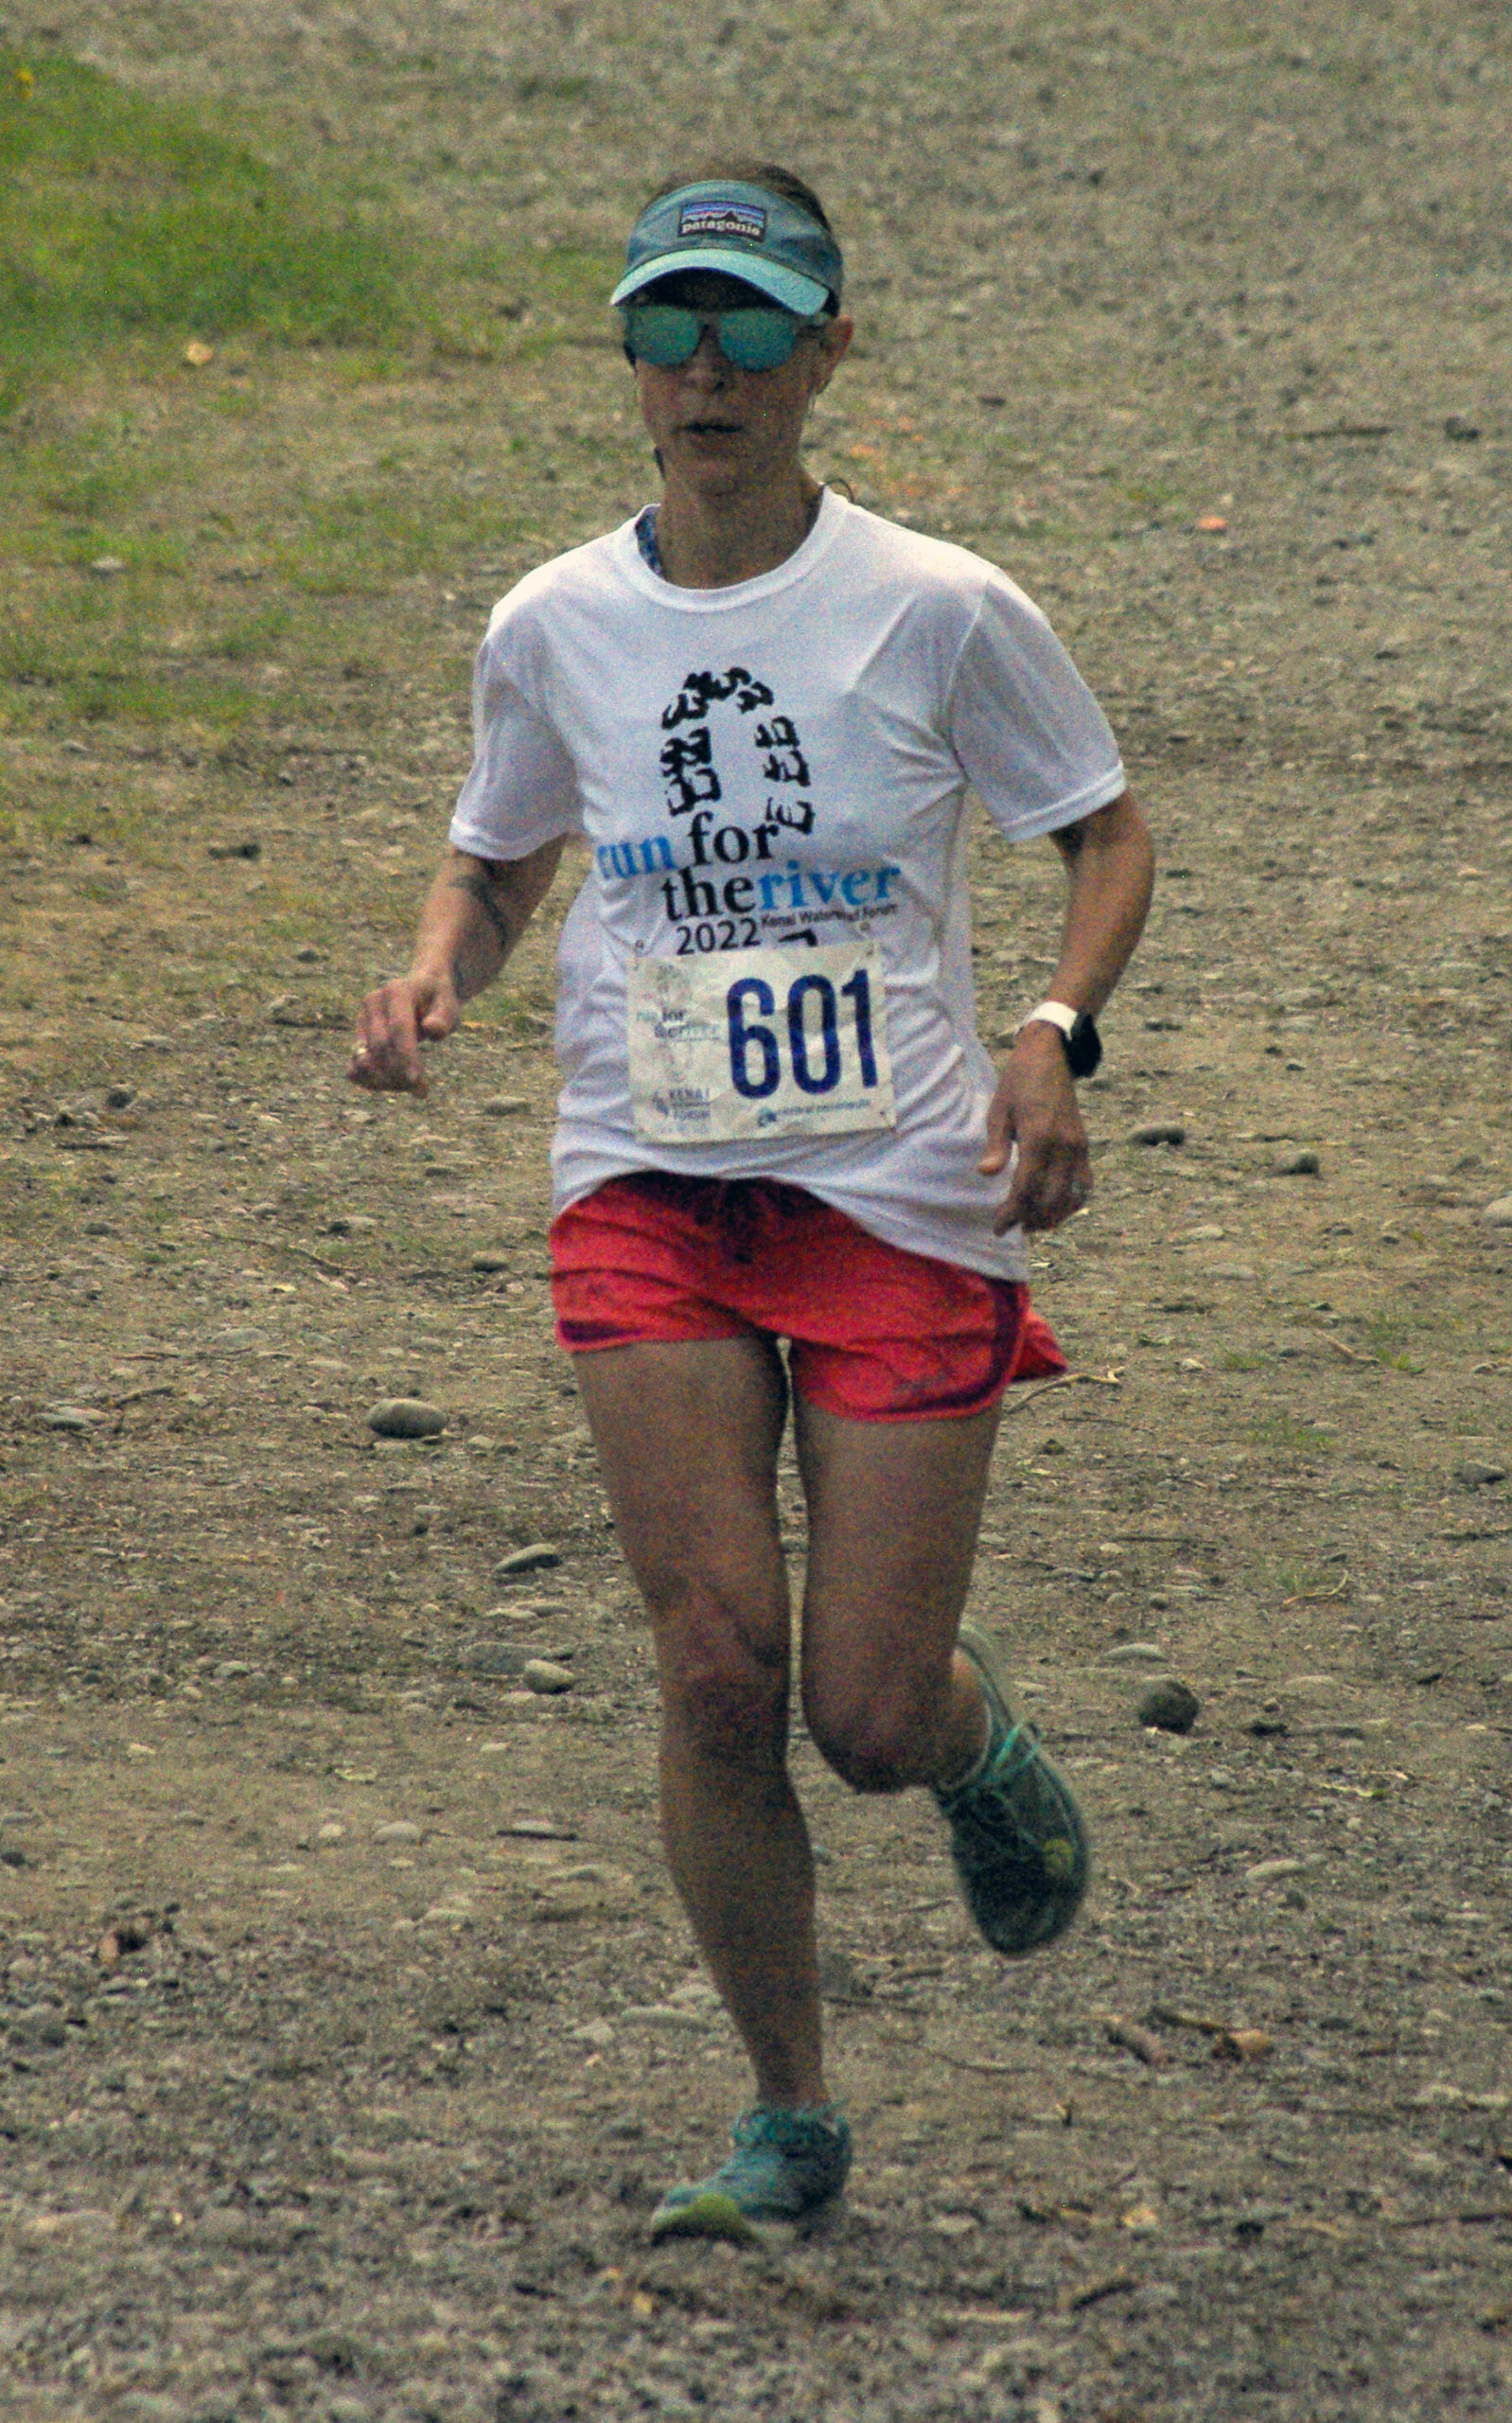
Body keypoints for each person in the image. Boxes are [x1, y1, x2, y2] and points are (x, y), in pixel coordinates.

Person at [349, 160, 1153, 2244]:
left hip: (897, 1186)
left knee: (859, 1710)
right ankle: (786, 2106)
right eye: (668, 327)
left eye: (747, 326)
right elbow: (505, 850)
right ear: (627, 358)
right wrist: (445, 955)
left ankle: (970, 1740)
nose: (704, 370)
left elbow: (1105, 833)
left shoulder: (939, 604)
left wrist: (1054, 1034)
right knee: (713, 1663)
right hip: (646, 1179)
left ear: (826, 353)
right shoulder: (552, 623)